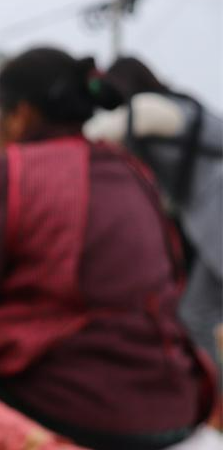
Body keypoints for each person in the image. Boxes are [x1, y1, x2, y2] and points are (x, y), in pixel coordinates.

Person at [0, 47, 215, 449]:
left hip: (81, 408)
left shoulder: (9, 170)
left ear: (18, 114)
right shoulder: (131, 170)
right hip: (174, 404)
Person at [85, 56, 223, 372]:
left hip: (217, 215)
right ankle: (211, 406)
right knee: (196, 313)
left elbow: (101, 132)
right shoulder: (173, 108)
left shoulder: (151, 108)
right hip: (208, 223)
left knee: (197, 314)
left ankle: (212, 406)